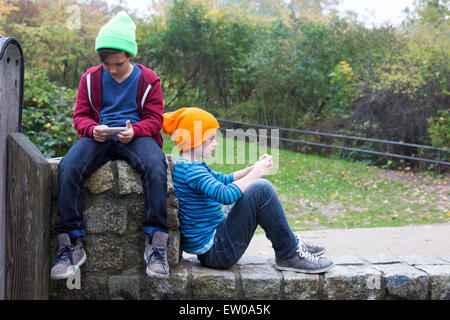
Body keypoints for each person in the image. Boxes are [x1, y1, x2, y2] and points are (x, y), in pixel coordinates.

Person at [50, 11, 170, 280]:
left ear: (130, 56)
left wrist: (136, 130)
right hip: (99, 136)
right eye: (107, 65)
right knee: (68, 166)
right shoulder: (90, 79)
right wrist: (92, 129)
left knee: (155, 164)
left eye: (118, 63)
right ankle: (70, 246)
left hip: (136, 136)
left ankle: (156, 244)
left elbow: (155, 119)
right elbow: (80, 116)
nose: (113, 69)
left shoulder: (148, 79)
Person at [162, 107, 334, 273]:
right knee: (261, 189)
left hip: (215, 244)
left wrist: (251, 170)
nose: (215, 143)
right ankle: (289, 253)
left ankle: (289, 243)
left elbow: (222, 179)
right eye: (211, 138)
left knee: (255, 188)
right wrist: (256, 175)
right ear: (194, 139)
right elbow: (225, 194)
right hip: (217, 252)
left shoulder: (190, 165)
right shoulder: (192, 171)